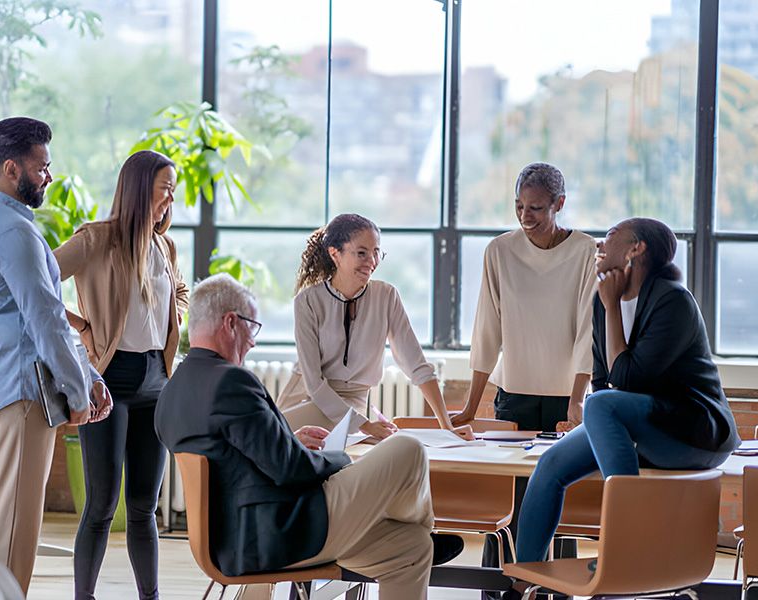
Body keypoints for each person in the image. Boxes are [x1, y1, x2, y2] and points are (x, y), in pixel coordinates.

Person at [155, 274, 464, 600]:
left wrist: (287, 439)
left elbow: (234, 459)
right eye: (252, 327)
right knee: (407, 449)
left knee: (409, 549)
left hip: (230, 540)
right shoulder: (232, 382)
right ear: (231, 323)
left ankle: (417, 535)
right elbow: (290, 470)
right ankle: (423, 527)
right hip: (282, 535)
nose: (253, 341)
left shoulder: (172, 391)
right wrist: (340, 457)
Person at [506, 218, 740, 598]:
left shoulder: (672, 300)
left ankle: (627, 549)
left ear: (636, 250)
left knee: (601, 404)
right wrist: (608, 306)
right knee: (549, 466)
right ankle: (524, 583)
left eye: (612, 235)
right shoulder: (602, 302)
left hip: (693, 433)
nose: (601, 241)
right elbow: (603, 376)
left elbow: (628, 379)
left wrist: (612, 305)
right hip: (638, 421)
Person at [0, 117, 111, 596]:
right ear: (11, 169)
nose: (48, 176)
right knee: (13, 533)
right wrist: (78, 390)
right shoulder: (13, 232)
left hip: (13, 386)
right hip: (21, 392)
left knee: (15, 526)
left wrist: (87, 375)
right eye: (41, 167)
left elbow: (46, 317)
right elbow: (45, 320)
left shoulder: (2, 223)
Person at [53, 150, 189, 600]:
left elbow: (179, 292)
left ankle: (149, 596)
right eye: (165, 187)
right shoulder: (97, 239)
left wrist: (176, 319)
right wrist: (83, 327)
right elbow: (41, 277)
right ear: (138, 187)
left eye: (173, 189)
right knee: (101, 505)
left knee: (144, 508)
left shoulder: (163, 245)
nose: (171, 197)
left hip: (157, 383)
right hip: (110, 382)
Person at [452, 163, 597, 573]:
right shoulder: (499, 251)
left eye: (535, 208)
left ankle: (555, 587)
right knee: (515, 503)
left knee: (557, 502)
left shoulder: (586, 251)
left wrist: (576, 401)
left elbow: (588, 331)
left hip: (564, 401)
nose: (524, 216)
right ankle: (499, 589)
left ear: (559, 205)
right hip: (513, 396)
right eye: (518, 206)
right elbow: (487, 331)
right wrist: (469, 407)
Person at [277, 213, 463, 440]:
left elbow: (417, 365)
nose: (372, 262)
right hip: (308, 401)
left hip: (353, 407)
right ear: (335, 254)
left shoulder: (386, 296)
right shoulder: (307, 301)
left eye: (376, 253)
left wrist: (448, 428)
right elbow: (314, 385)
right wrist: (366, 426)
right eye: (362, 253)